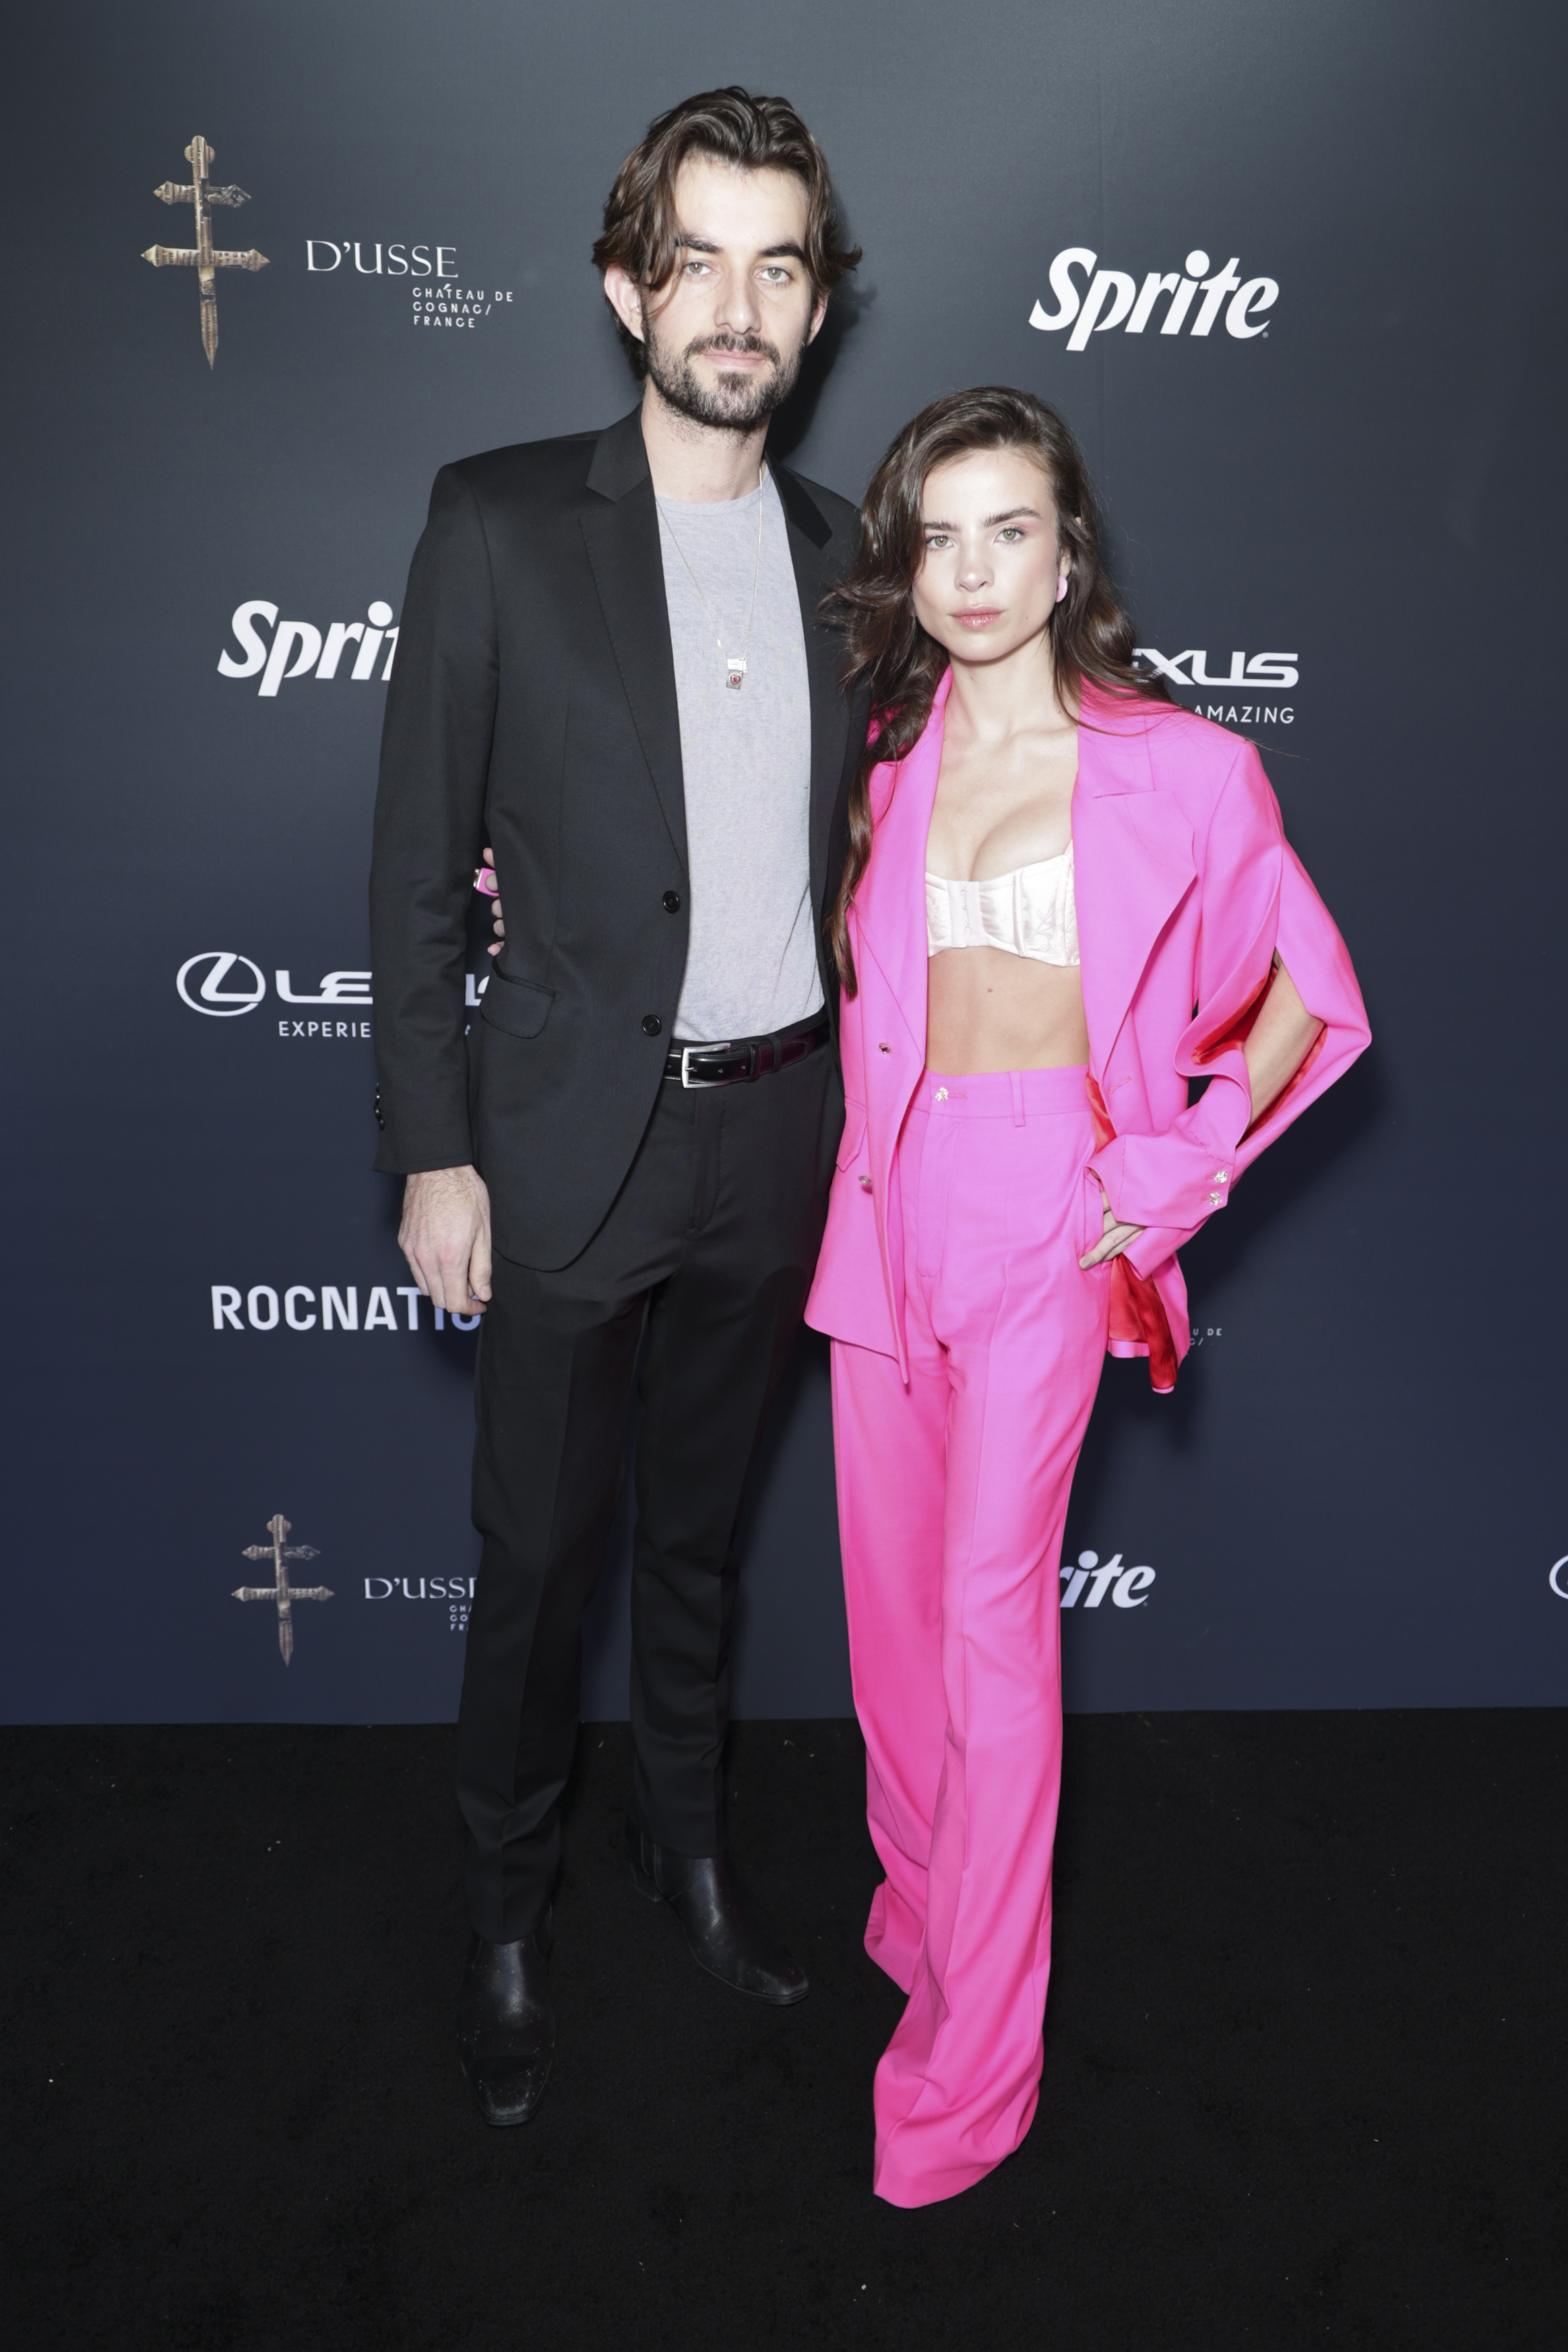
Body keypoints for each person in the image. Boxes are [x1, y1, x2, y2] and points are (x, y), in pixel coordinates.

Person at [803, 387, 1371, 2206]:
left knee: (986, 1629)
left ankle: (969, 2069)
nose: (972, 572)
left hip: (1049, 1222)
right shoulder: (881, 761)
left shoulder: (1182, 767)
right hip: (880, 1225)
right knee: (893, 1640)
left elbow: (1307, 995)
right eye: (939, 536)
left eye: (1010, 531)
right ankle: (922, 1910)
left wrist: (1161, 1181)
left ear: (1068, 554)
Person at [369, 88, 865, 2128]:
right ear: (622, 285)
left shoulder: (855, 559)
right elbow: (412, 875)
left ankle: (688, 1843)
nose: (735, 306)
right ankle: (502, 1907)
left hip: (778, 1137)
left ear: (819, 310)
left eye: (778, 265)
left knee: (700, 1553)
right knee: (535, 1564)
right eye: (697, 260)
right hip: (566, 1139)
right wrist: (430, 1142)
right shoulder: (494, 520)